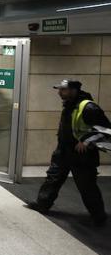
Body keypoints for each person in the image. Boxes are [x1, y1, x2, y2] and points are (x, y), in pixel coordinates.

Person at [25, 79, 108, 226]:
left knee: (87, 186)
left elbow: (106, 130)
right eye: (59, 89)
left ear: (74, 90)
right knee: (53, 178)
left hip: (82, 155)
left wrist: (86, 141)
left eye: (63, 89)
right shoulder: (69, 106)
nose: (59, 92)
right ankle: (42, 204)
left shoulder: (89, 107)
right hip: (63, 151)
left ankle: (99, 216)